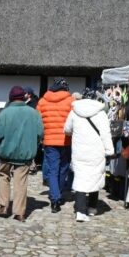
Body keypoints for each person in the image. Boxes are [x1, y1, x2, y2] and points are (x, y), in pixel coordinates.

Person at [0, 86, 44, 222]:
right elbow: (40, 133)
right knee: (21, 181)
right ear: (24, 97)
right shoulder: (34, 113)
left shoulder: (4, 113)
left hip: (6, 152)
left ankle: (3, 205)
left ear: (10, 98)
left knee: (4, 176)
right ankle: (19, 212)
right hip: (25, 153)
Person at [65, 88, 115, 222]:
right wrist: (109, 150)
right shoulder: (101, 114)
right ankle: (92, 207)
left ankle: (80, 211)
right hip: (96, 152)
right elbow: (105, 134)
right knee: (94, 177)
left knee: (80, 179)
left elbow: (67, 129)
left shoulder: (74, 112)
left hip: (79, 151)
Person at [37, 78, 74, 213]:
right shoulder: (71, 101)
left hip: (49, 140)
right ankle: (57, 195)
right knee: (63, 168)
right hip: (66, 140)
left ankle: (55, 198)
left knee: (53, 170)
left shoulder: (42, 101)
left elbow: (38, 120)